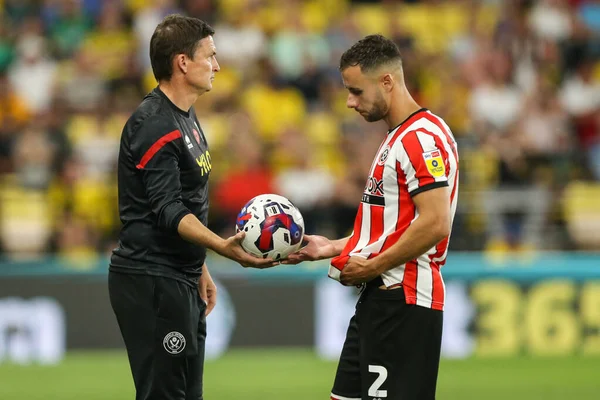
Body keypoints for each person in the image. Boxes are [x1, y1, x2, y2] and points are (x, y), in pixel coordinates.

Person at [108, 14, 273, 400]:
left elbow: (187, 202)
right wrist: (222, 247)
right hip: (151, 279)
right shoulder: (153, 123)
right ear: (183, 62)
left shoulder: (186, 118)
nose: (217, 65)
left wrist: (198, 265)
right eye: (210, 56)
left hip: (178, 276)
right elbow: (167, 209)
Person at [286, 34, 460, 400]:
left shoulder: (419, 139)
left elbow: (435, 222)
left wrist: (372, 265)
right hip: (379, 299)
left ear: (387, 82)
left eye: (356, 91)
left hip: (403, 301)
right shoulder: (397, 137)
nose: (349, 102)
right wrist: (330, 247)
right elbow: (390, 230)